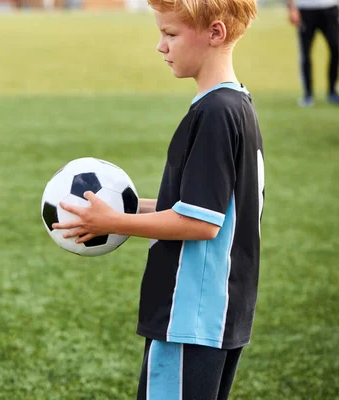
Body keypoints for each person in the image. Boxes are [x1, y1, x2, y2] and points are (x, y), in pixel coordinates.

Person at [51, 0, 265, 398]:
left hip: (191, 314)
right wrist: (122, 208)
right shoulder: (237, 105)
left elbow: (202, 223)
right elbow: (209, 206)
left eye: (170, 34)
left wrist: (113, 223)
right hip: (218, 313)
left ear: (215, 33)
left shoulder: (214, 114)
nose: (160, 46)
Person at [287, 0, 339, 106]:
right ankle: (308, 94)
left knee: (336, 48)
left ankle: (332, 91)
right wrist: (291, 8)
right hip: (306, 9)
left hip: (329, 7)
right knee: (305, 52)